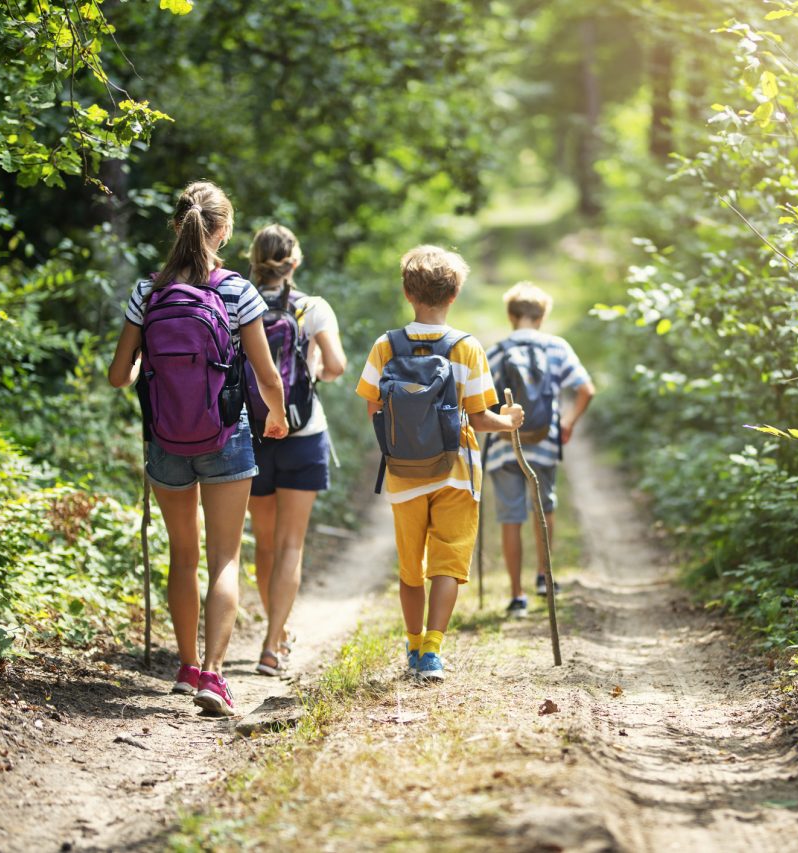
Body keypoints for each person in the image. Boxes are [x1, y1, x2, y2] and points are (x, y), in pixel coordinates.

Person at [108, 181, 288, 716]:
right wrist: (275, 416)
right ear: (225, 230)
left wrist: (157, 373)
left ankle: (185, 669)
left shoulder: (148, 291)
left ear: (177, 224)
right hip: (226, 435)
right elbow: (267, 375)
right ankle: (214, 674)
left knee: (182, 555)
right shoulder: (236, 290)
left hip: (166, 439)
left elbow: (119, 375)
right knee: (225, 557)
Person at [355, 245, 523, 681]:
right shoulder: (467, 348)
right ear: (454, 295)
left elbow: (372, 408)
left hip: (403, 474)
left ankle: (410, 647)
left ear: (408, 293)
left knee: (411, 568)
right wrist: (509, 422)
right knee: (447, 562)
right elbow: (481, 417)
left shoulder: (384, 346)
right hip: (457, 471)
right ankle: (432, 651)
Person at [245, 224, 347, 677]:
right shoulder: (312, 307)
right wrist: (314, 371)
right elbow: (337, 366)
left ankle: (277, 632)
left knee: (265, 543)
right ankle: (272, 645)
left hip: (252, 434)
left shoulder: (237, 301)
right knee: (291, 545)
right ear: (295, 262)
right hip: (304, 435)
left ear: (254, 259)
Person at [484, 282, 594, 619]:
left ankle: (517, 596)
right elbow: (586, 389)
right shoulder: (557, 348)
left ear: (511, 316)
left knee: (510, 517)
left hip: (505, 446)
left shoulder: (498, 350)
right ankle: (545, 578)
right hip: (545, 443)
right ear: (542, 316)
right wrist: (568, 423)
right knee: (544, 509)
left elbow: (478, 399)